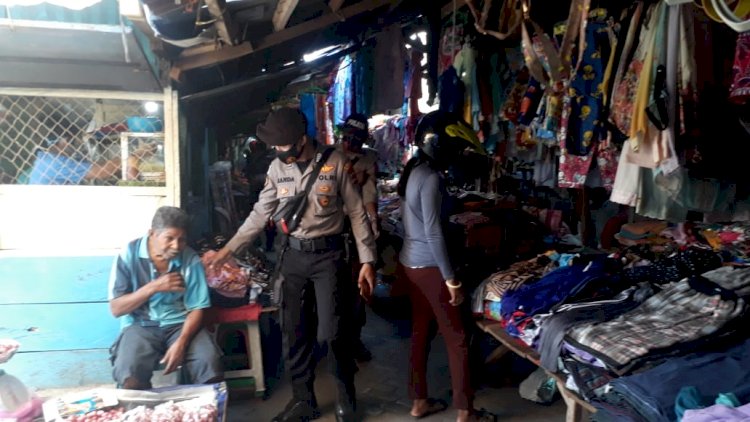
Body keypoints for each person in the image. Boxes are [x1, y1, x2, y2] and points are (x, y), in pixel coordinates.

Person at [204, 107, 377, 422]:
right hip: (293, 257)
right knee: (294, 330)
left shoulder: (335, 161)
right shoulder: (275, 169)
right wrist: (228, 250)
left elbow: (356, 211)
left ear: (301, 140)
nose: (278, 150)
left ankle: (345, 397)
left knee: (332, 333)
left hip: (329, 256)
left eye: (283, 145)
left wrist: (367, 260)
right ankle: (303, 400)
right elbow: (260, 214)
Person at [397, 111, 494, 422]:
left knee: (420, 332)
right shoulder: (432, 178)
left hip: (411, 264)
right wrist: (451, 279)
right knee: (457, 339)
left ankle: (419, 402)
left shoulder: (414, 170)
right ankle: (466, 411)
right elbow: (433, 231)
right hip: (430, 268)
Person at [108, 206, 223, 390]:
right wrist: (154, 287)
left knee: (209, 364)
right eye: (169, 238)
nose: (176, 246)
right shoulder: (128, 255)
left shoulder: (190, 259)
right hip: (140, 326)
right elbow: (116, 309)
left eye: (182, 240)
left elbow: (196, 308)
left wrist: (181, 343)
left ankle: (200, 414)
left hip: (180, 325)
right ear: (152, 234)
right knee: (130, 373)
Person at [337, 113, 379, 362]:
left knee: (358, 288)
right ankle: (337, 340)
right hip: (332, 230)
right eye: (348, 136)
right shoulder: (329, 157)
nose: (350, 142)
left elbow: (369, 198)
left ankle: (355, 339)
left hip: (357, 231)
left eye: (356, 138)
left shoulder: (368, 159)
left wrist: (374, 224)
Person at [28, 116, 148, 185]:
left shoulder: (45, 157)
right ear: (66, 141)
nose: (77, 145)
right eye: (75, 140)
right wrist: (135, 156)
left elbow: (95, 167)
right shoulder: (55, 163)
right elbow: (100, 172)